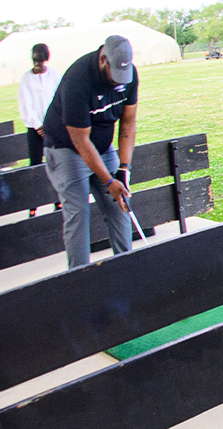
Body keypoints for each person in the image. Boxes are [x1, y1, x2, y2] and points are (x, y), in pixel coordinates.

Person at [41, 35, 139, 268]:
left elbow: (128, 122)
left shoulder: (129, 75)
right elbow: (81, 141)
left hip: (103, 147)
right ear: (103, 59)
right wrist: (108, 180)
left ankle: (126, 270)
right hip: (66, 148)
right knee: (79, 213)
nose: (118, 84)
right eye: (114, 76)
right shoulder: (78, 80)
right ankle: (80, 279)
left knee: (120, 204)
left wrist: (123, 170)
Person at [18, 43, 62, 217]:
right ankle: (33, 205)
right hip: (34, 129)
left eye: (40, 60)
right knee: (35, 167)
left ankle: (58, 201)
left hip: (53, 127)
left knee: (55, 163)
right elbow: (25, 104)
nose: (38, 64)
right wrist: (37, 125)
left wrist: (52, 123)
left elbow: (59, 99)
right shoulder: (26, 79)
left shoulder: (54, 76)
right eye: (35, 60)